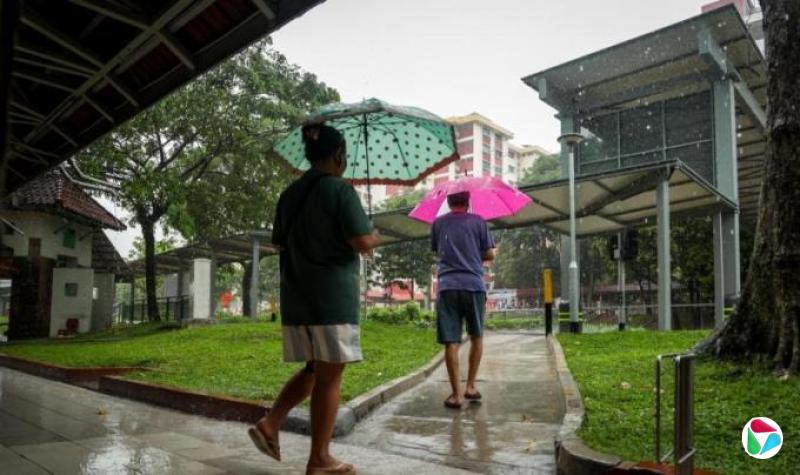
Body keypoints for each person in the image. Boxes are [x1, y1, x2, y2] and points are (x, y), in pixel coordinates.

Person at [249, 123, 379, 475]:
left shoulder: (289, 194)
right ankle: (319, 459)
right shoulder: (340, 189)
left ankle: (271, 423)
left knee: (313, 368)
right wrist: (374, 234)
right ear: (338, 154)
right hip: (330, 301)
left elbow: (279, 243)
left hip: (297, 300)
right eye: (345, 154)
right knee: (329, 377)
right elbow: (363, 243)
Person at [431, 191, 495, 409]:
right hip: (474, 286)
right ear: (468, 202)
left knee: (451, 341)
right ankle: (470, 386)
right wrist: (473, 253)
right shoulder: (479, 222)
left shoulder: (438, 223)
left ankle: (456, 395)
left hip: (448, 286)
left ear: (448, 202)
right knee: (476, 335)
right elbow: (490, 254)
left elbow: (438, 252)